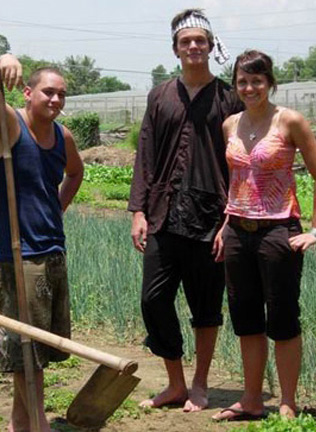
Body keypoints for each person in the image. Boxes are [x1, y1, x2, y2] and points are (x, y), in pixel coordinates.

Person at [128, 8, 243, 412]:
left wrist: (230, 221)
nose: (193, 46)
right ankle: (175, 382)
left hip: (211, 216)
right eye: (185, 41)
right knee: (153, 300)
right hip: (163, 212)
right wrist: (138, 211)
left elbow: (241, 162)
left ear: (211, 47)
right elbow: (145, 153)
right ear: (175, 49)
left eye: (200, 40)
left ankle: (199, 383)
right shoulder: (160, 95)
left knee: (205, 304)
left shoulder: (230, 97)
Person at [211, 50, 316, 421]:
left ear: (270, 82)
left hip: (279, 231)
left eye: (257, 80)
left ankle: (287, 402)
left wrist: (315, 230)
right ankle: (250, 399)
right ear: (236, 85)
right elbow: (235, 180)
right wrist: (226, 224)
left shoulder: (289, 121)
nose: (250, 88)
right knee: (246, 318)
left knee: (282, 318)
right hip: (237, 231)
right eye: (243, 81)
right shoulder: (230, 124)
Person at [0, 54, 84, 432]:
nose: (55, 100)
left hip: (52, 251)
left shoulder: (62, 136)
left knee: (42, 350)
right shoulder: (8, 126)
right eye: (48, 92)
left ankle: (20, 423)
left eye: (61, 95)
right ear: (27, 92)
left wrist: (57, 208)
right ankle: (38, 425)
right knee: (26, 353)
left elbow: (75, 172)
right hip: (18, 257)